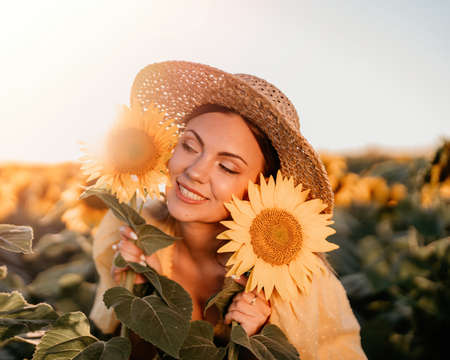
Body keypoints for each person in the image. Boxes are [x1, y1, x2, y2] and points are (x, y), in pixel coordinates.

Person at [89, 61, 367, 359]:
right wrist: (138, 299)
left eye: (227, 167)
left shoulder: (296, 283)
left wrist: (260, 342)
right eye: (190, 146)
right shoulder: (133, 230)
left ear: (264, 187)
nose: (195, 171)